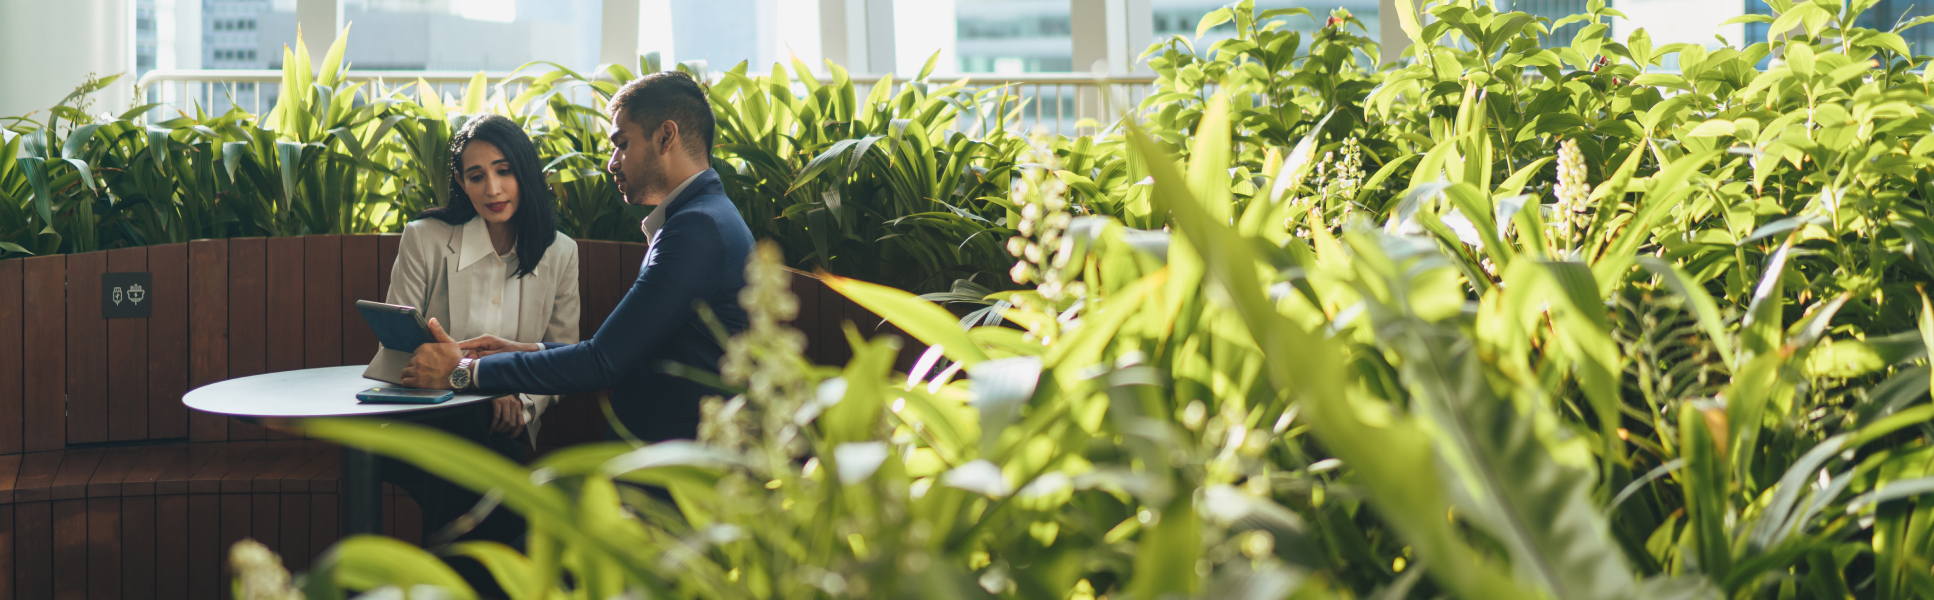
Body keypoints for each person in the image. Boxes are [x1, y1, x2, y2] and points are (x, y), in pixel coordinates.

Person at [400, 70, 753, 448]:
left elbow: (601, 361)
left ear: (666, 136)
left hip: (681, 473)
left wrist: (464, 370)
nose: (612, 162)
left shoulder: (696, 229)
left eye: (622, 144)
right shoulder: (704, 217)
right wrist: (525, 349)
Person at [382, 113, 580, 554]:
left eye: (504, 171)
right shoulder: (425, 238)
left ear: (525, 172)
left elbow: (563, 355)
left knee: (469, 469)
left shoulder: (561, 253)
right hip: (420, 420)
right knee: (485, 465)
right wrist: (478, 382)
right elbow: (397, 345)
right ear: (461, 181)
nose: (493, 189)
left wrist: (522, 405)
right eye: (477, 176)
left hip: (503, 429)